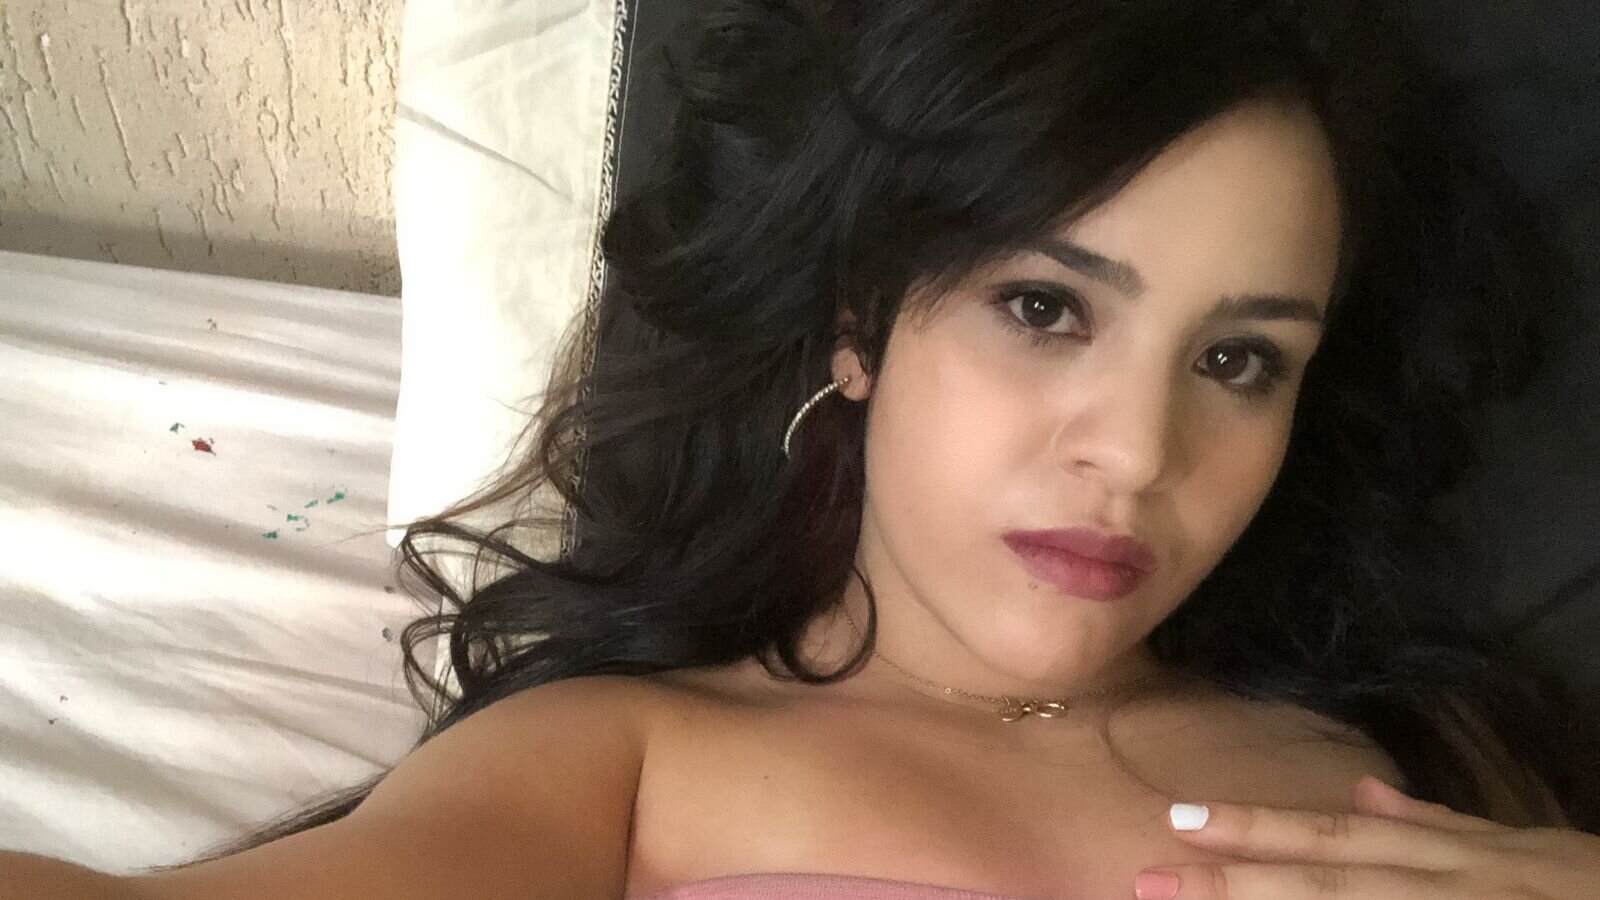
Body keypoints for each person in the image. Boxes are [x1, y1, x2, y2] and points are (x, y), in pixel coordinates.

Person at [4, 0, 1598, 897]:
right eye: (1043, 307)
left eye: (1239, 360)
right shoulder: (617, 762)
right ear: (860, 324)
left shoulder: (1431, 765)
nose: (1135, 453)